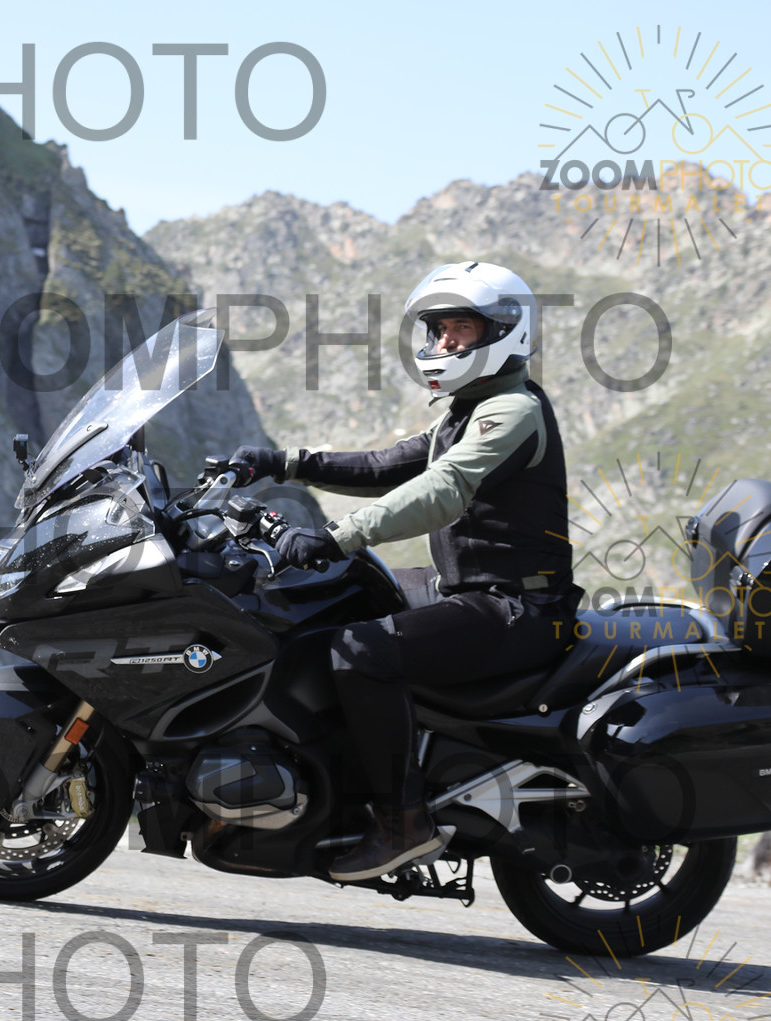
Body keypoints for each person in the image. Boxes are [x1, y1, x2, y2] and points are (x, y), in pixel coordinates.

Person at [230, 261, 583, 882]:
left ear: (506, 331)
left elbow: (442, 489)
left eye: (460, 329)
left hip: (515, 607)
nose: (444, 342)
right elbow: (389, 464)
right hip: (469, 590)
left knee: (360, 652)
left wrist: (337, 535)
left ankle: (402, 822)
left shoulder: (511, 411)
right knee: (338, 598)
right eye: (438, 330)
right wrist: (284, 462)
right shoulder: (467, 409)